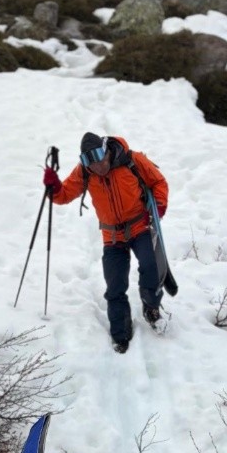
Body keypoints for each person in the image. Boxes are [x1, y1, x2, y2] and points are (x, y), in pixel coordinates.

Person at [43, 132, 173, 353]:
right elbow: (63, 195)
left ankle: (151, 307)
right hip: (112, 236)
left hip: (140, 226)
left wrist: (159, 205)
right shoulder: (84, 172)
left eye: (100, 161)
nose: (97, 168)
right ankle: (120, 333)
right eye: (90, 164)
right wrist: (53, 186)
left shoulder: (132, 160)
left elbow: (158, 181)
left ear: (107, 151)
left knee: (151, 268)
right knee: (115, 286)